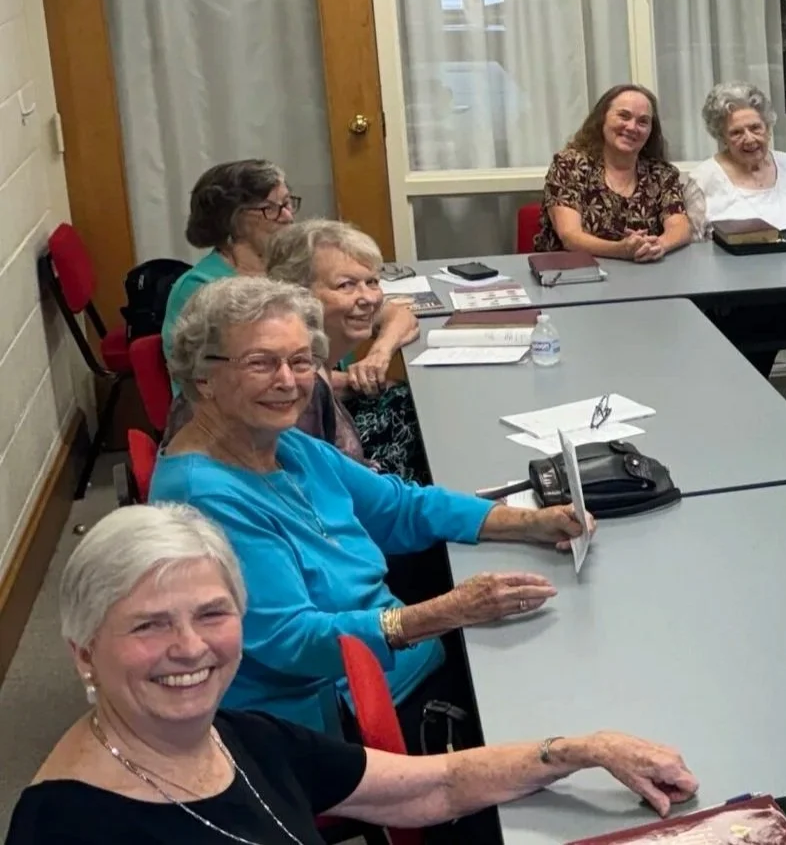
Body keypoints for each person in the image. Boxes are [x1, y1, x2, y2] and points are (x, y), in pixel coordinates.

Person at [3, 504, 698, 845]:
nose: (190, 647)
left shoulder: (241, 737)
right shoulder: (63, 823)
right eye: (149, 624)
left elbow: (434, 786)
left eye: (212, 614)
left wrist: (584, 749)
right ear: (83, 651)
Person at [149, 276, 594, 748]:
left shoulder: (283, 443)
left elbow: (401, 507)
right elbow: (295, 641)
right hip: (337, 715)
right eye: (261, 363)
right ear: (203, 378)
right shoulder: (204, 499)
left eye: (301, 362)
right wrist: (448, 612)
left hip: (400, 659)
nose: (287, 381)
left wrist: (531, 522)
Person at [161, 159, 419, 398]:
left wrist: (379, 353)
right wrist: (367, 383)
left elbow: (397, 314)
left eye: (287, 204)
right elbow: (271, 380)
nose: (288, 217)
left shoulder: (294, 265)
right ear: (232, 220)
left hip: (327, 403)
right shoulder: (204, 288)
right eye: (269, 209)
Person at [684, 82, 786, 453]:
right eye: (736, 131)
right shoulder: (704, 177)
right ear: (721, 137)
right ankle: (746, 422)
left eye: (756, 128)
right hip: (740, 296)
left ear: (768, 126)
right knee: (755, 329)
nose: (749, 138)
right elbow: (693, 245)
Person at [266, 218, 428, 483]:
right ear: (298, 293)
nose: (369, 298)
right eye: (346, 285)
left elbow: (402, 317)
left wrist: (380, 352)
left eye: (372, 282)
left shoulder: (314, 356)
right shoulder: (298, 384)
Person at [534, 83, 691, 261]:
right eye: (624, 116)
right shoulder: (570, 165)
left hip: (644, 277)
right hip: (572, 277)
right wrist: (620, 250)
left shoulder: (662, 173)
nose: (632, 127)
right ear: (602, 119)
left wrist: (659, 245)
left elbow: (681, 227)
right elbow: (570, 237)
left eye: (643, 122)